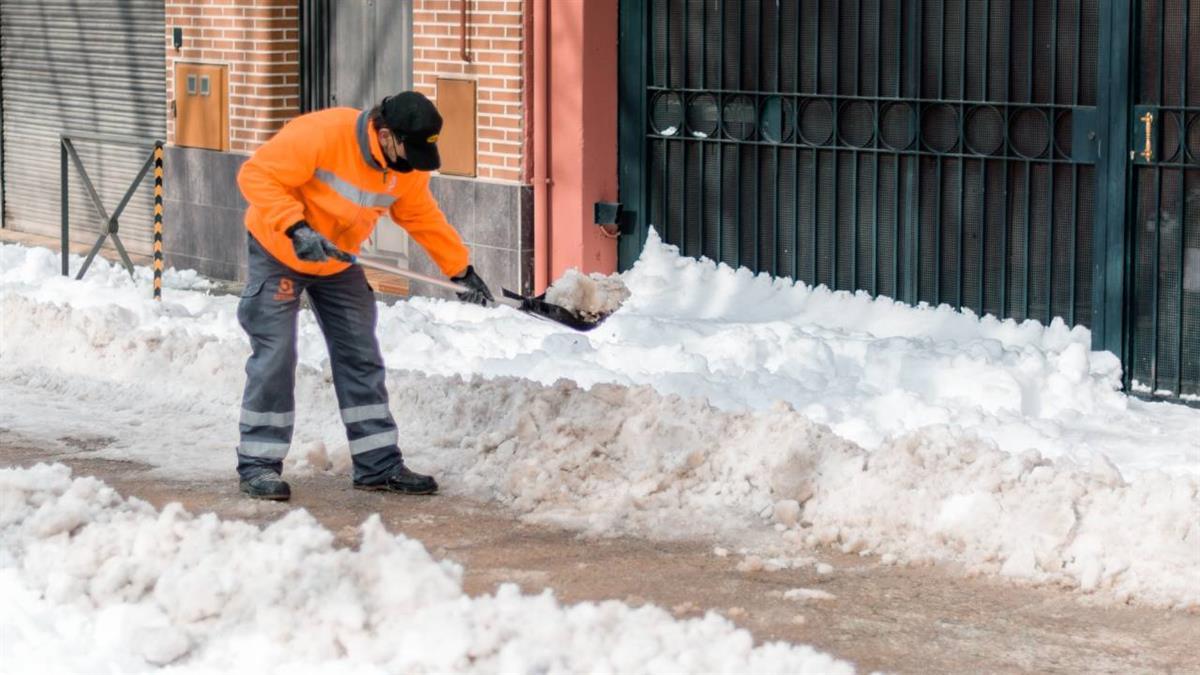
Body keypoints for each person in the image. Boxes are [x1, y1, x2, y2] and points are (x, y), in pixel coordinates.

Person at [233, 91, 493, 501]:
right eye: (408, 152)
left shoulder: (404, 165)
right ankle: (258, 464)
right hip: (280, 251)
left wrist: (460, 269)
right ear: (386, 135)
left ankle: (378, 464)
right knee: (276, 353)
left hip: (337, 262)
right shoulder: (321, 134)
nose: (412, 165)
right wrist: (296, 228)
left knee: (360, 354)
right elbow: (255, 175)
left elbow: (420, 215)